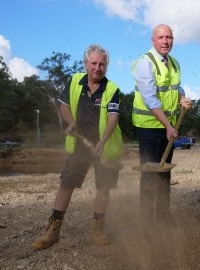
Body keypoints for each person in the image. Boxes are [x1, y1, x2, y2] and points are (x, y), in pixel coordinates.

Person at [31, 44, 124, 250]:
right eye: (93, 63)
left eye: (101, 64)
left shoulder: (112, 89)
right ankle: (52, 231)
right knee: (66, 184)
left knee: (103, 187)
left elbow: (113, 118)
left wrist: (101, 143)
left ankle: (98, 229)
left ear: (106, 66)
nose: (97, 68)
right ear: (86, 64)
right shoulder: (74, 81)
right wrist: (71, 123)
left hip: (104, 147)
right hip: (80, 144)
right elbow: (64, 106)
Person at [132, 24, 192, 227]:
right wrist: (169, 126)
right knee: (150, 174)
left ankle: (164, 217)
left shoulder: (174, 63)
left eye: (169, 37)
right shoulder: (144, 63)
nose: (166, 41)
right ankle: (147, 222)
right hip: (149, 127)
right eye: (161, 37)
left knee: (165, 172)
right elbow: (150, 99)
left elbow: (176, 88)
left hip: (168, 127)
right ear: (153, 41)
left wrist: (182, 98)